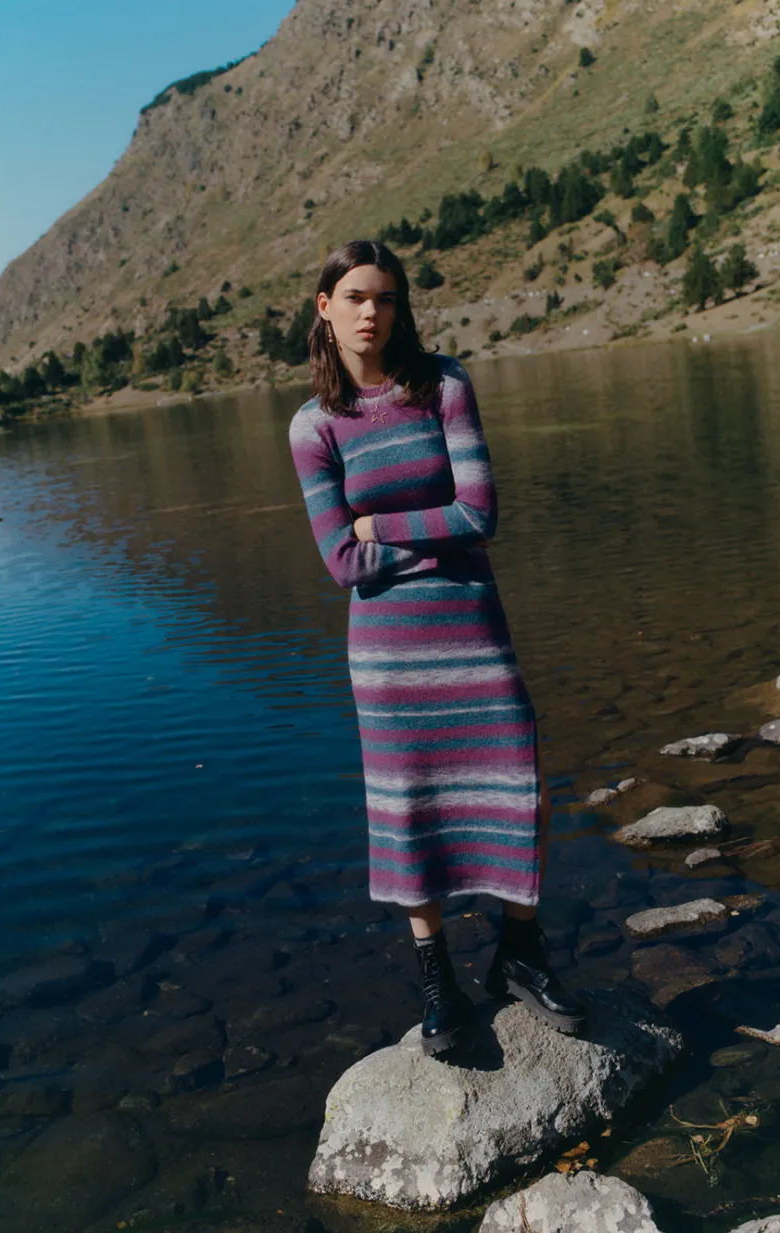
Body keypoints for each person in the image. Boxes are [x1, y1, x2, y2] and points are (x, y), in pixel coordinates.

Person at [288, 239, 584, 1056]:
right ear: (325, 307)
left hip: (472, 627)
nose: (371, 312)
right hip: (388, 653)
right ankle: (438, 982)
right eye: (355, 297)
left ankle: (520, 951)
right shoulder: (313, 426)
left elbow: (480, 513)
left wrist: (378, 525)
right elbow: (340, 563)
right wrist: (430, 538)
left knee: (524, 787)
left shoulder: (443, 385)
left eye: (385, 297)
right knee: (409, 808)